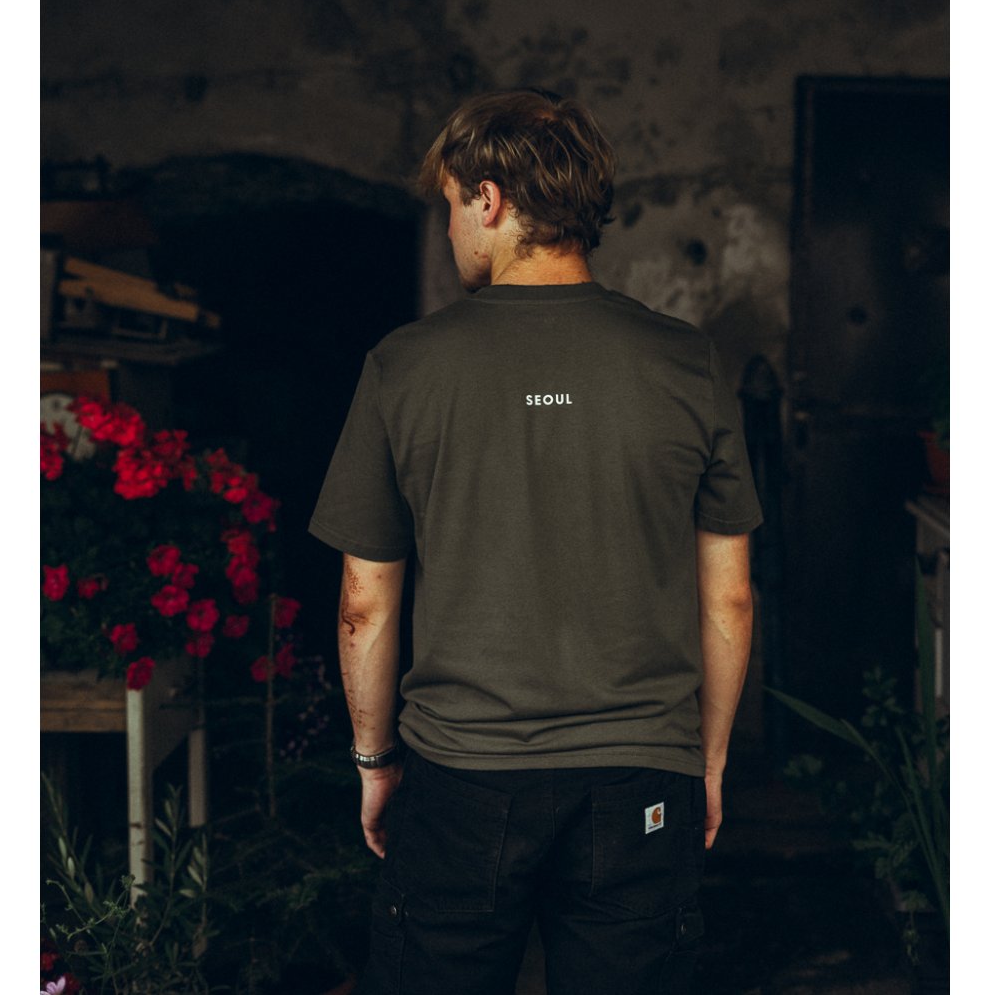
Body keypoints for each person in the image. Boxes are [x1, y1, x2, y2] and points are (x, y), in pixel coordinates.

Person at [308, 89, 761, 995]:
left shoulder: (405, 366)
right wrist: (704, 761)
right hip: (642, 776)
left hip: (461, 778)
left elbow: (364, 603)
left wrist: (375, 761)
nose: (450, 229)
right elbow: (729, 596)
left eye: (450, 204)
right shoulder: (688, 363)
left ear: (489, 199)